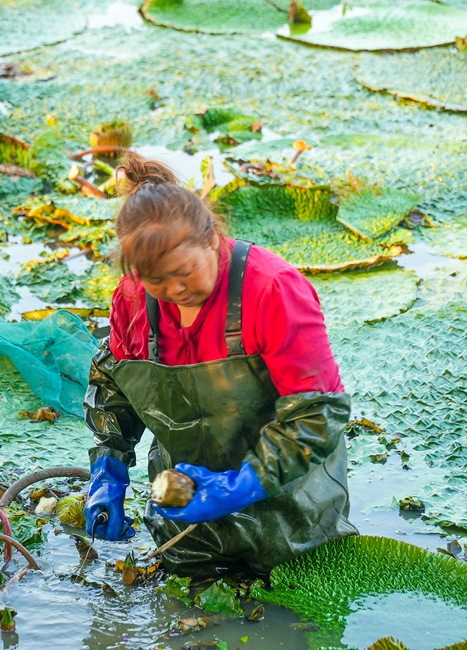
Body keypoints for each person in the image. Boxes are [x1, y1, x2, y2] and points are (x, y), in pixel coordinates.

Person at [82, 153, 356, 576]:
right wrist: (108, 466)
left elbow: (317, 414)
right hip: (184, 521)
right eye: (156, 280)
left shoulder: (272, 290)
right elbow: (114, 387)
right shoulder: (133, 298)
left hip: (293, 515)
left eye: (185, 272)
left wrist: (241, 486)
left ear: (211, 240)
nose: (174, 290)